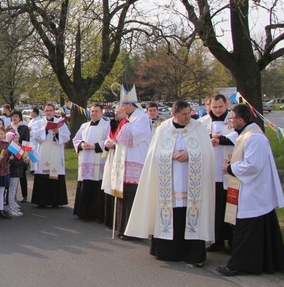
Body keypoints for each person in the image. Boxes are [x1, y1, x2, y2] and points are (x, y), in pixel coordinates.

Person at [125, 100, 215, 266]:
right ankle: (167, 252)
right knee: (170, 213)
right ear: (174, 114)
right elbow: (153, 156)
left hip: (192, 184)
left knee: (190, 214)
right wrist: (170, 156)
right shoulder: (162, 129)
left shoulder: (199, 128)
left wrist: (190, 155)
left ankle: (193, 254)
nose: (188, 117)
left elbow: (208, 155)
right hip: (168, 184)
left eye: (189, 113)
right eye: (184, 114)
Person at [216, 104, 284, 276]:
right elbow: (232, 139)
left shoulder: (255, 138)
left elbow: (252, 165)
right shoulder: (247, 133)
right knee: (258, 228)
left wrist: (230, 169)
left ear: (241, 120)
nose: (230, 122)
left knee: (245, 229)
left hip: (253, 190)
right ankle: (266, 262)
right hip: (253, 189)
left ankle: (240, 265)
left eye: (232, 119)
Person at [103, 86, 151, 238]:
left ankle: (132, 230)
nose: (121, 109)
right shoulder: (130, 118)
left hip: (134, 162)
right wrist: (116, 121)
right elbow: (116, 137)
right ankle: (121, 228)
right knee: (122, 196)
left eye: (123, 106)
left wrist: (123, 119)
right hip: (122, 162)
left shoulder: (142, 118)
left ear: (130, 105)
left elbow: (131, 139)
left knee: (131, 197)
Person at [200, 94, 234, 253]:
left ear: (226, 105)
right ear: (210, 107)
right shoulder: (204, 122)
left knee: (231, 207)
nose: (218, 110)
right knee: (215, 208)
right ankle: (217, 240)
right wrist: (209, 138)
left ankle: (233, 241)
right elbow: (196, 139)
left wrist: (221, 140)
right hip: (211, 172)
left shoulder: (233, 120)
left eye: (220, 107)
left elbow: (240, 138)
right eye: (214, 107)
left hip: (229, 171)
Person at [72, 104, 111, 221]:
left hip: (99, 158)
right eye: (92, 111)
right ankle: (83, 212)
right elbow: (76, 139)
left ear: (102, 113)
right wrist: (82, 144)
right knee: (85, 184)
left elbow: (109, 140)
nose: (94, 113)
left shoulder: (107, 125)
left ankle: (98, 214)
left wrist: (95, 146)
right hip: (85, 159)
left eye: (96, 111)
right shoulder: (84, 126)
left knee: (97, 186)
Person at [29, 103, 71, 208]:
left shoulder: (60, 122)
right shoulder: (39, 123)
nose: (49, 112)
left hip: (56, 152)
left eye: (51, 110)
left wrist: (57, 132)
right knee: (43, 173)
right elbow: (35, 136)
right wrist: (45, 129)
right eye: (47, 110)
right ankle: (42, 201)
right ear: (44, 112)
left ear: (54, 111)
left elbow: (67, 136)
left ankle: (56, 201)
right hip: (43, 153)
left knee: (56, 173)